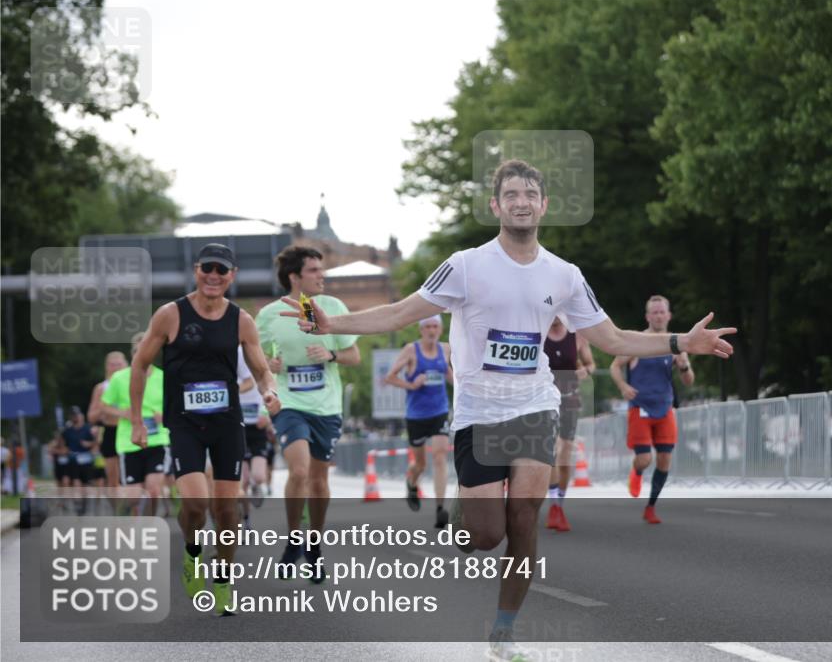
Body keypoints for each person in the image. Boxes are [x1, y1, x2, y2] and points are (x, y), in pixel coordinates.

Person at [279, 159, 736, 660]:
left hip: (535, 406)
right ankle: (467, 514)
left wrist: (681, 341)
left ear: (544, 205)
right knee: (485, 534)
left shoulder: (564, 275)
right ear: (496, 206)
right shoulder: (466, 266)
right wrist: (333, 326)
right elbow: (401, 312)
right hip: (478, 412)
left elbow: (612, 339)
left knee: (523, 517)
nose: (522, 202)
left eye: (530, 194)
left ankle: (503, 632)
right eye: (511, 194)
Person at [129, 243, 280, 616]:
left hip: (227, 423)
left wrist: (270, 391)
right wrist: (136, 420)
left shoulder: (241, 320)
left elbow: (261, 369)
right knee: (196, 504)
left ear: (232, 276)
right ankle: (193, 551)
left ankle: (224, 579)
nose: (214, 275)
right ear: (196, 270)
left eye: (221, 270)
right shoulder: (170, 315)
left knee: (226, 509)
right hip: (185, 423)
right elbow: (140, 364)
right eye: (207, 268)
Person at [256, 245, 359, 582]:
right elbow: (256, 359)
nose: (321, 275)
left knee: (318, 480)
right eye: (313, 270)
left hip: (326, 407)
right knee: (298, 471)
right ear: (294, 277)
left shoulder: (333, 307)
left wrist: (331, 355)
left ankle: (314, 543)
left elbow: (354, 356)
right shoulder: (269, 314)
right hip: (288, 404)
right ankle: (293, 538)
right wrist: (269, 365)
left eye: (321, 269)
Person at [610, 295, 696, 524]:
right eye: (654, 312)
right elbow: (615, 366)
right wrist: (623, 386)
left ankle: (650, 507)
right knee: (645, 459)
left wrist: (684, 366)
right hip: (640, 408)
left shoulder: (676, 344)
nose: (658, 316)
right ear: (648, 316)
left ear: (669, 315)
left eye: (662, 312)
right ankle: (637, 471)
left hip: (665, 407)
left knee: (665, 459)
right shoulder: (638, 342)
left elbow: (689, 381)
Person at [383, 314, 454, 528]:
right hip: (416, 415)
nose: (432, 330)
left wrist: (464, 387)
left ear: (440, 329)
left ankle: (440, 508)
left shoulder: (446, 349)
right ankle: (411, 482)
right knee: (420, 464)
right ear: (421, 330)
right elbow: (390, 377)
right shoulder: (411, 350)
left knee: (440, 456)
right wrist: (412, 385)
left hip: (440, 411)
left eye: (435, 326)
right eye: (428, 326)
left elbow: (448, 373)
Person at [102, 333, 170, 515]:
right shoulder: (119, 378)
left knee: (154, 490)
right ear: (132, 353)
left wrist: (164, 415)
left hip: (157, 439)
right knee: (133, 498)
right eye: (137, 351)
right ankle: (130, 519)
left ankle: (150, 523)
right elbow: (104, 406)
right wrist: (122, 413)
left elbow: (176, 405)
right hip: (129, 442)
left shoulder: (164, 377)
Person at [543, 314, 595, 533]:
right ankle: (554, 505)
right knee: (552, 451)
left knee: (565, 454)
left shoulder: (577, 336)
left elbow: (591, 363)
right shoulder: (539, 333)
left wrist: (586, 370)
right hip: (546, 401)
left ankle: (559, 505)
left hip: (570, 400)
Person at [237, 344, 271, 520]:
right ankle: (246, 519)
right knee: (242, 481)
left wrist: (267, 416)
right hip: (239, 426)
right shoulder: (231, 354)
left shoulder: (259, 360)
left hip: (257, 426)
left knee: (258, 476)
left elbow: (272, 389)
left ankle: (256, 486)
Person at [88, 351, 128, 493]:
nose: (116, 368)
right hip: (110, 432)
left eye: (119, 364)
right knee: (112, 481)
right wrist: (104, 407)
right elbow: (91, 417)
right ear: (106, 367)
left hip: (128, 431)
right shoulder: (101, 388)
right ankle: (117, 506)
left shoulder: (133, 383)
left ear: (126, 365)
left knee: (129, 477)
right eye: (112, 365)